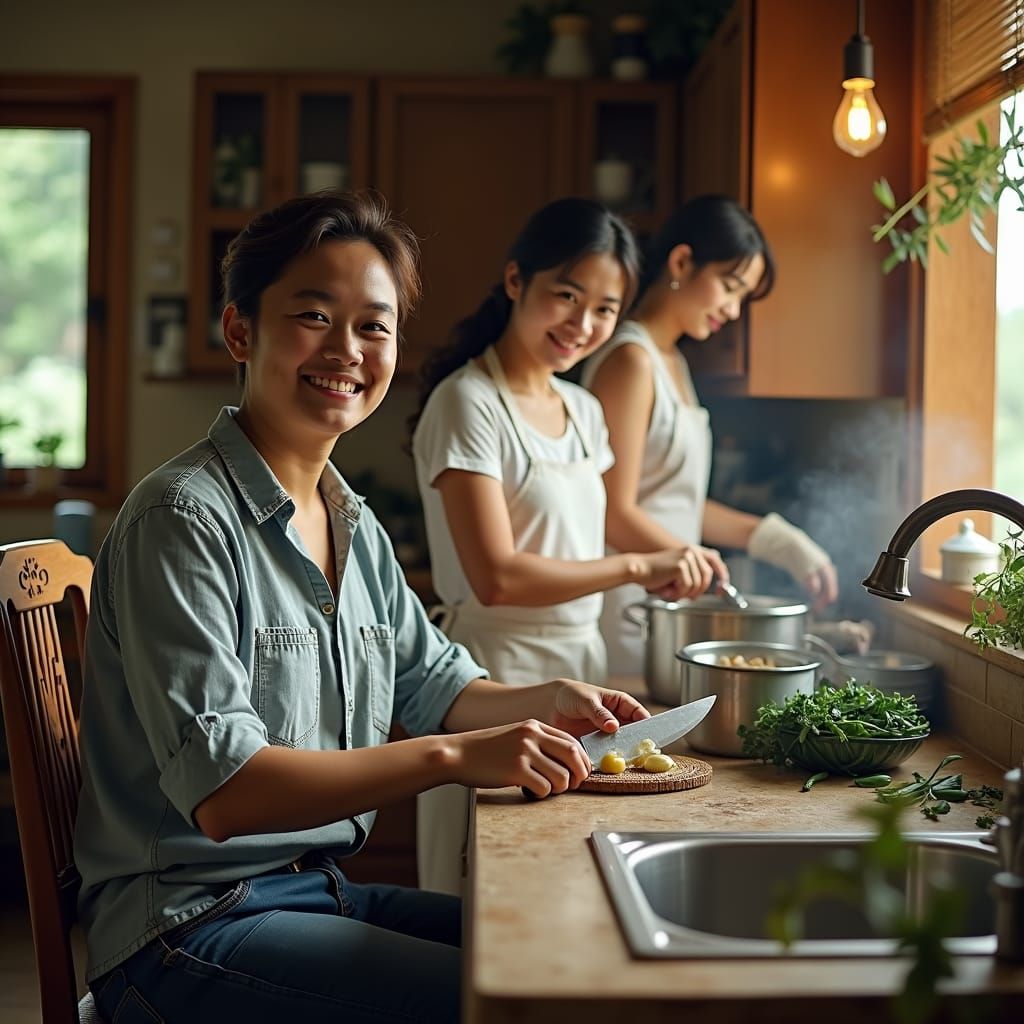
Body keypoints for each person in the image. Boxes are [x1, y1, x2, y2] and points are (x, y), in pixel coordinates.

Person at [73, 190, 652, 1024]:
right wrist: (455, 759)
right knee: (520, 1000)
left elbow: (438, 687)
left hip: (314, 893)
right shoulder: (182, 519)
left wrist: (551, 704)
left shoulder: (355, 525)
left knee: (568, 952)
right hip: (186, 931)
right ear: (242, 331)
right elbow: (228, 792)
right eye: (313, 315)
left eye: (373, 325)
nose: (346, 349)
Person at [408, 198, 726, 895]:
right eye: (566, 296)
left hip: (583, 674)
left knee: (564, 891)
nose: (582, 325)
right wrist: (643, 566)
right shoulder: (468, 404)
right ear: (517, 281)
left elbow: (603, 526)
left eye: (606, 309)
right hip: (495, 680)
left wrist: (670, 565)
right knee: (485, 905)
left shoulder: (582, 409)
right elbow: (496, 577)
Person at [580, 194, 839, 676]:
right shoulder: (630, 361)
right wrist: (695, 563)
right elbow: (614, 512)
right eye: (730, 286)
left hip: (668, 602)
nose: (734, 310)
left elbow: (674, 501)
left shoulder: (672, 362)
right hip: (631, 607)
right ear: (682, 262)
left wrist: (778, 540)